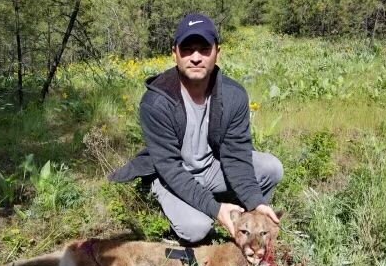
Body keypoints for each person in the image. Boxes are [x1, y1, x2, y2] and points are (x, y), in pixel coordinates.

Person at [109, 13, 283, 244]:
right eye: (187, 49)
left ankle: (245, 221)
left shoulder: (234, 95)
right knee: (197, 230)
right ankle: (169, 203)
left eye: (204, 49)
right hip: (170, 175)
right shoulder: (156, 101)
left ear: (217, 52)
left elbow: (236, 155)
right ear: (175, 53)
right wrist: (215, 209)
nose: (196, 57)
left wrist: (255, 201)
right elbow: (169, 167)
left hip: (211, 168)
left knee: (271, 167)